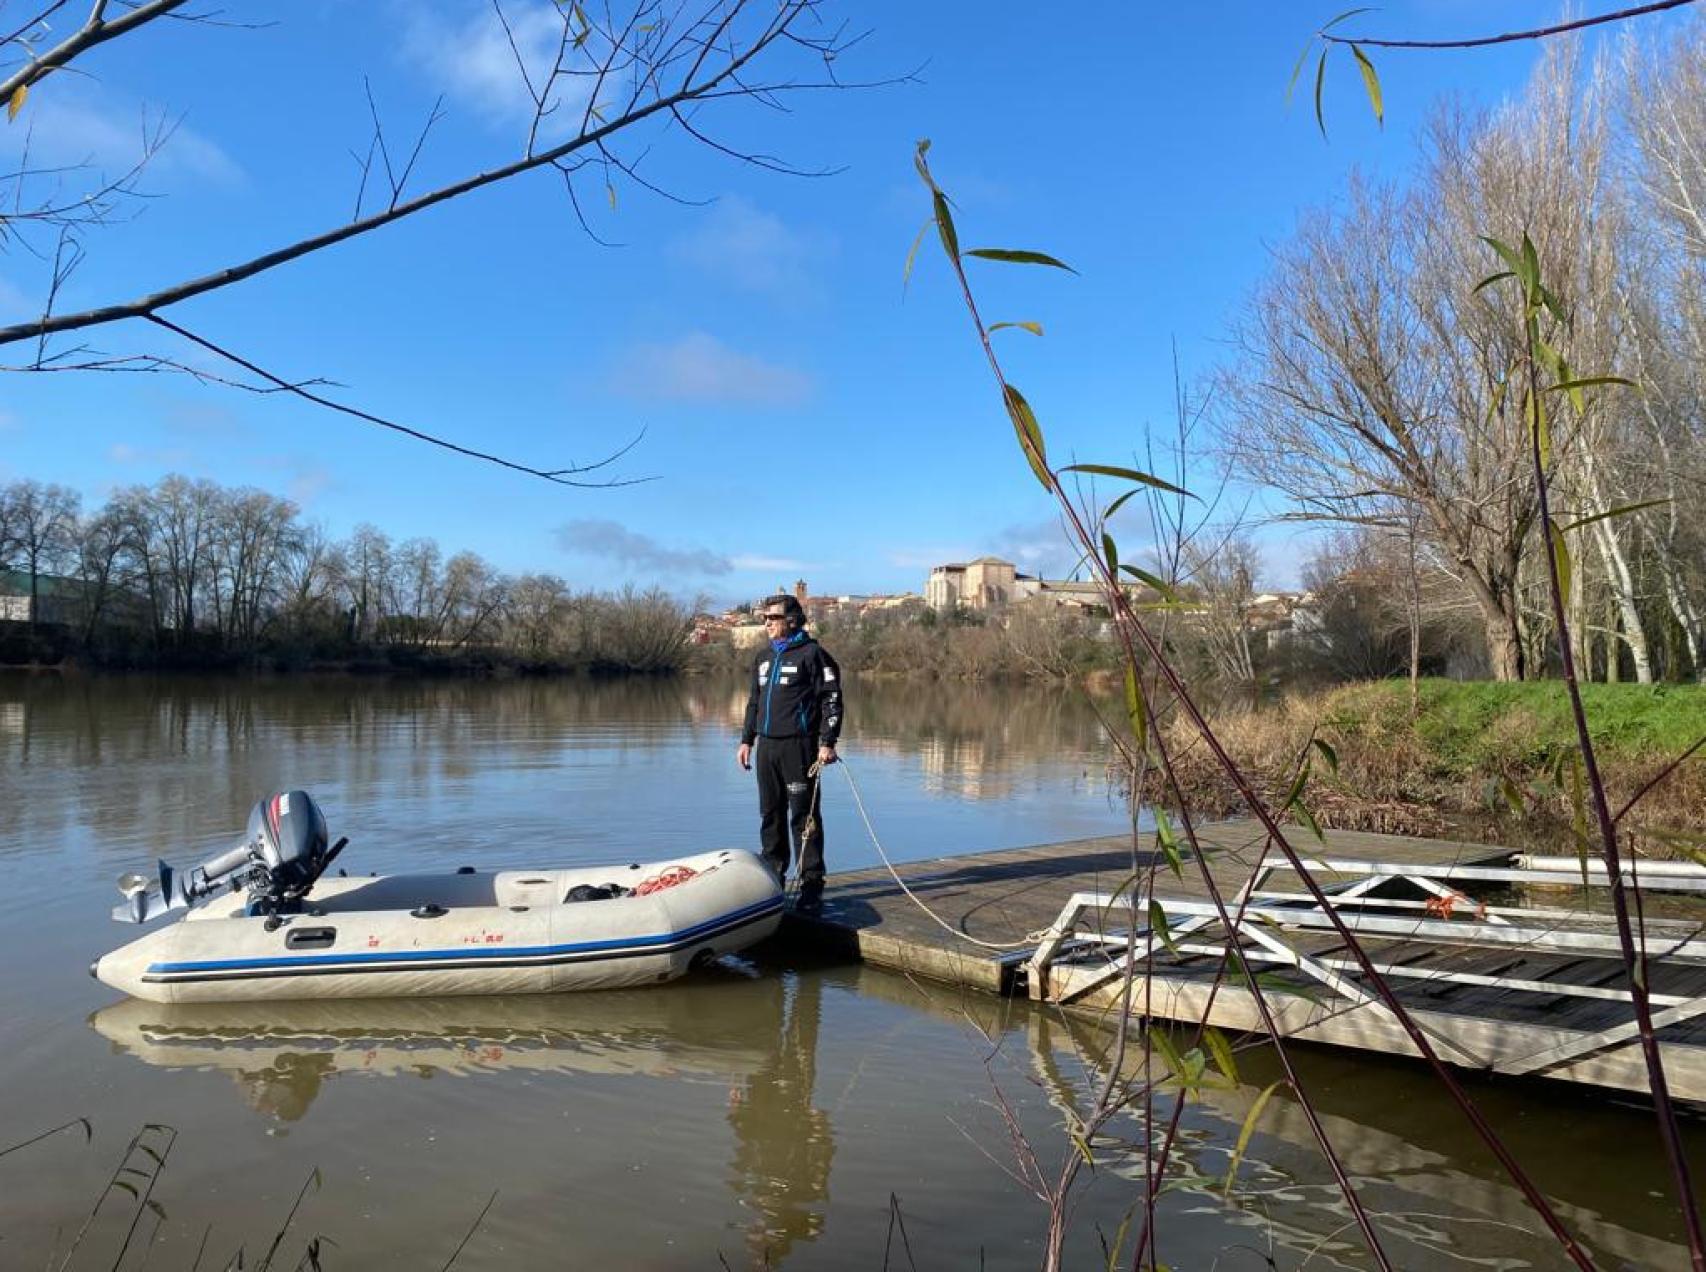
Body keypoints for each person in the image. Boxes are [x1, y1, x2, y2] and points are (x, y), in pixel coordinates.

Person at [737, 594, 842, 909]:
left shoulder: (814, 655)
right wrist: (746, 740)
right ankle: (774, 879)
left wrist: (827, 742)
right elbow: (754, 702)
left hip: (800, 746)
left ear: (792, 620)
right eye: (764, 618)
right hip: (767, 747)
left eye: (773, 618)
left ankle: (811, 884)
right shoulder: (762, 658)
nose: (766, 623)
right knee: (770, 814)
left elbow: (832, 700)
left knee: (803, 816)